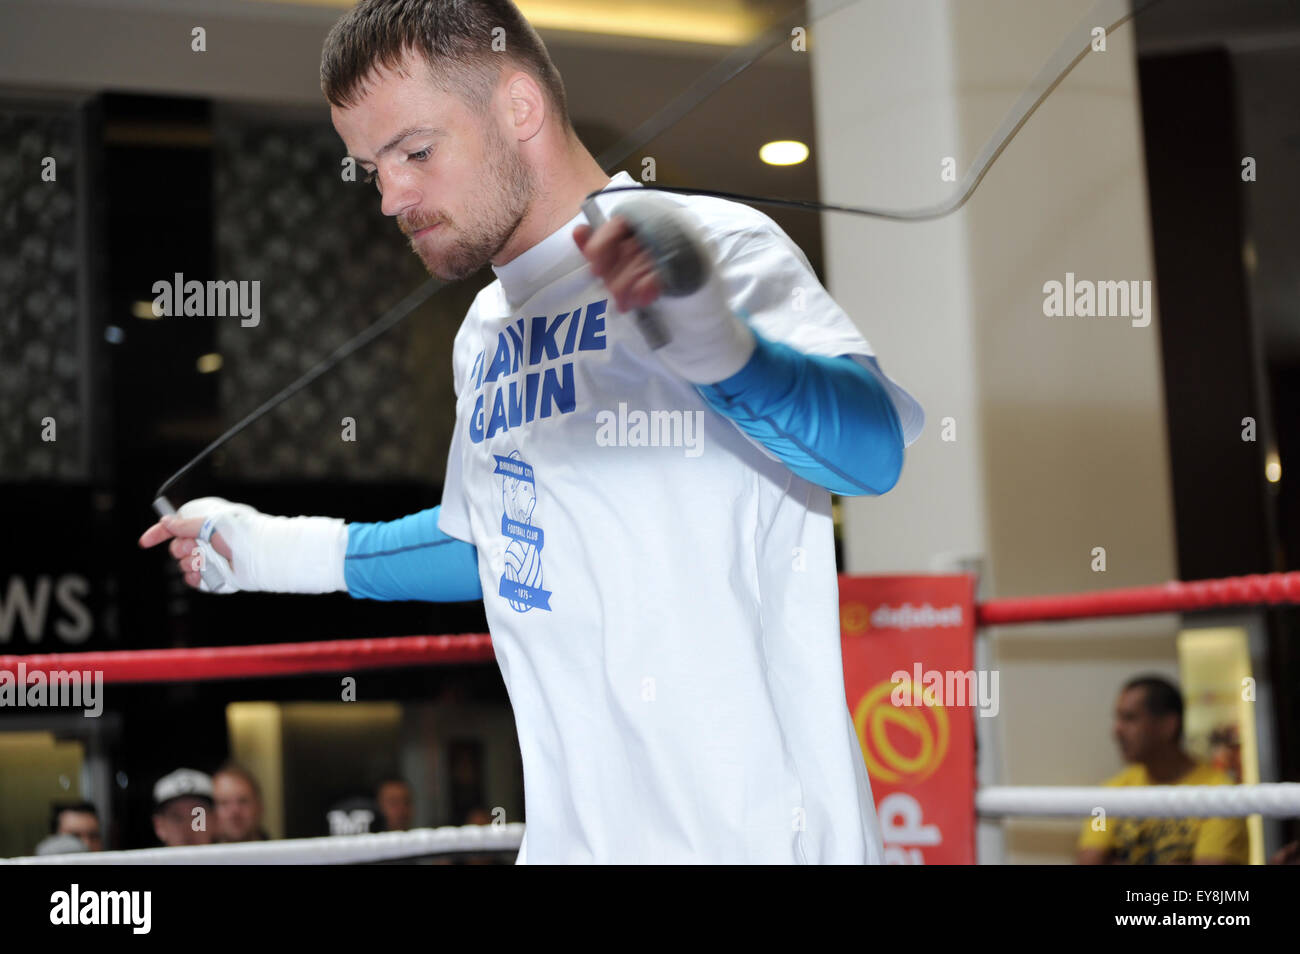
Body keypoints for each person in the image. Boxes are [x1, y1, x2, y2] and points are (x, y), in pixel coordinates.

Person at [137, 0, 923, 863]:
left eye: (416, 151)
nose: (392, 195)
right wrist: (269, 551)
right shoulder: (484, 331)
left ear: (518, 109)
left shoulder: (717, 245)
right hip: (575, 841)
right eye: (371, 168)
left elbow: (872, 451)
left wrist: (727, 353)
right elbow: (500, 543)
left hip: (757, 838)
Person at [1076, 676, 1248, 865]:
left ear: (1168, 725)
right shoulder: (1110, 794)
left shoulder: (1220, 794)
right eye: (1118, 718)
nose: (1117, 730)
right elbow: (1089, 860)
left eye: (1130, 718)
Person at [152, 768, 215, 848]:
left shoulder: (233, 860)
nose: (188, 827)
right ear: (159, 826)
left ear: (214, 819)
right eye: (177, 818)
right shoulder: (142, 860)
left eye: (197, 816)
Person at [213, 762, 270, 842]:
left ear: (259, 807)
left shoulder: (282, 853)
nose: (234, 811)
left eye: (243, 801)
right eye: (224, 803)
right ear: (212, 812)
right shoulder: (199, 853)